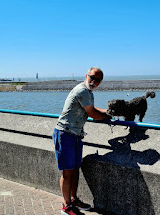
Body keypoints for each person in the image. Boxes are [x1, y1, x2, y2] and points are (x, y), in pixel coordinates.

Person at [53, 67, 111, 215]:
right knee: (67, 172)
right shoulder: (82, 90)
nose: (93, 81)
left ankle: (73, 200)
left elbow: (91, 108)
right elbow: (93, 114)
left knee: (75, 170)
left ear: (100, 82)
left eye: (97, 80)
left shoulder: (89, 93)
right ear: (86, 76)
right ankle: (66, 207)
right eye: (92, 77)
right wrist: (108, 116)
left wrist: (108, 111)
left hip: (76, 135)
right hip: (64, 134)